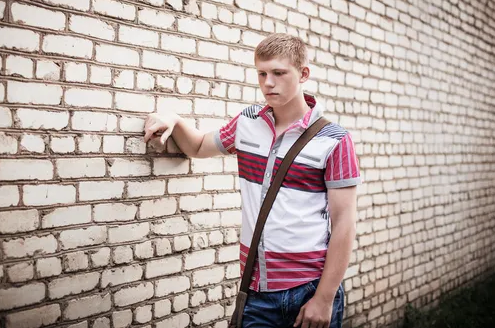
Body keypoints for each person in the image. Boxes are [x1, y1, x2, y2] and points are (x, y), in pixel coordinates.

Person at [144, 33, 361, 328]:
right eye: (262, 73)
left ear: (303, 74)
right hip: (257, 293)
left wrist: (324, 299)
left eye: (279, 73)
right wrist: (172, 118)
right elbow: (197, 147)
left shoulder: (334, 140)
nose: (268, 82)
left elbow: (344, 223)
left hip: (309, 290)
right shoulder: (247, 123)